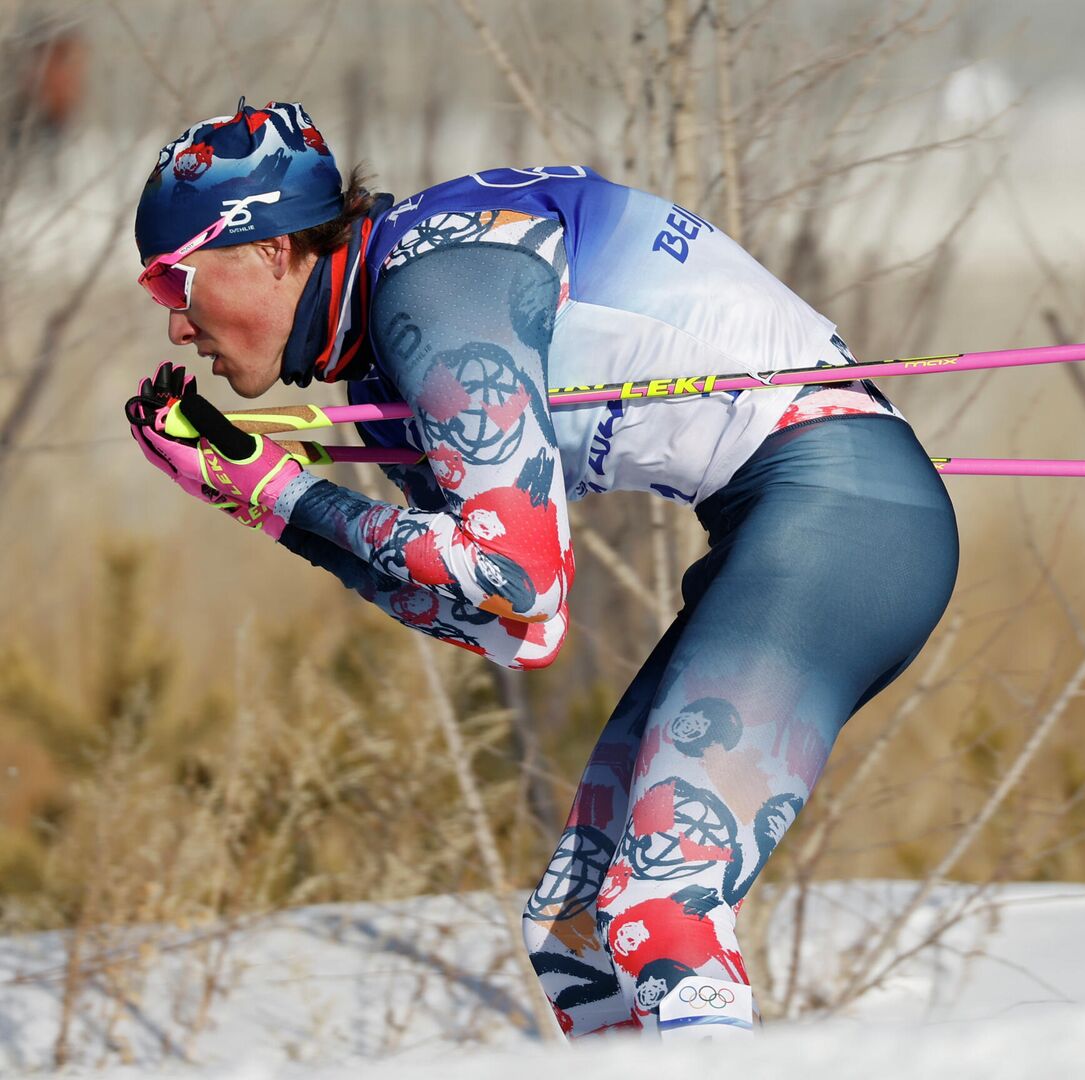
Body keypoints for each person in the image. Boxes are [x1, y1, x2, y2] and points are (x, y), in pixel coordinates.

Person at [125, 99, 959, 1040]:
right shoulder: (382, 360)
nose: (174, 325)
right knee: (575, 935)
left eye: (173, 281)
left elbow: (518, 577)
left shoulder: (434, 279)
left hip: (844, 511)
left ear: (273, 250)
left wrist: (281, 492)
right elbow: (509, 624)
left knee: (660, 905)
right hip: (787, 524)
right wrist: (269, 505)